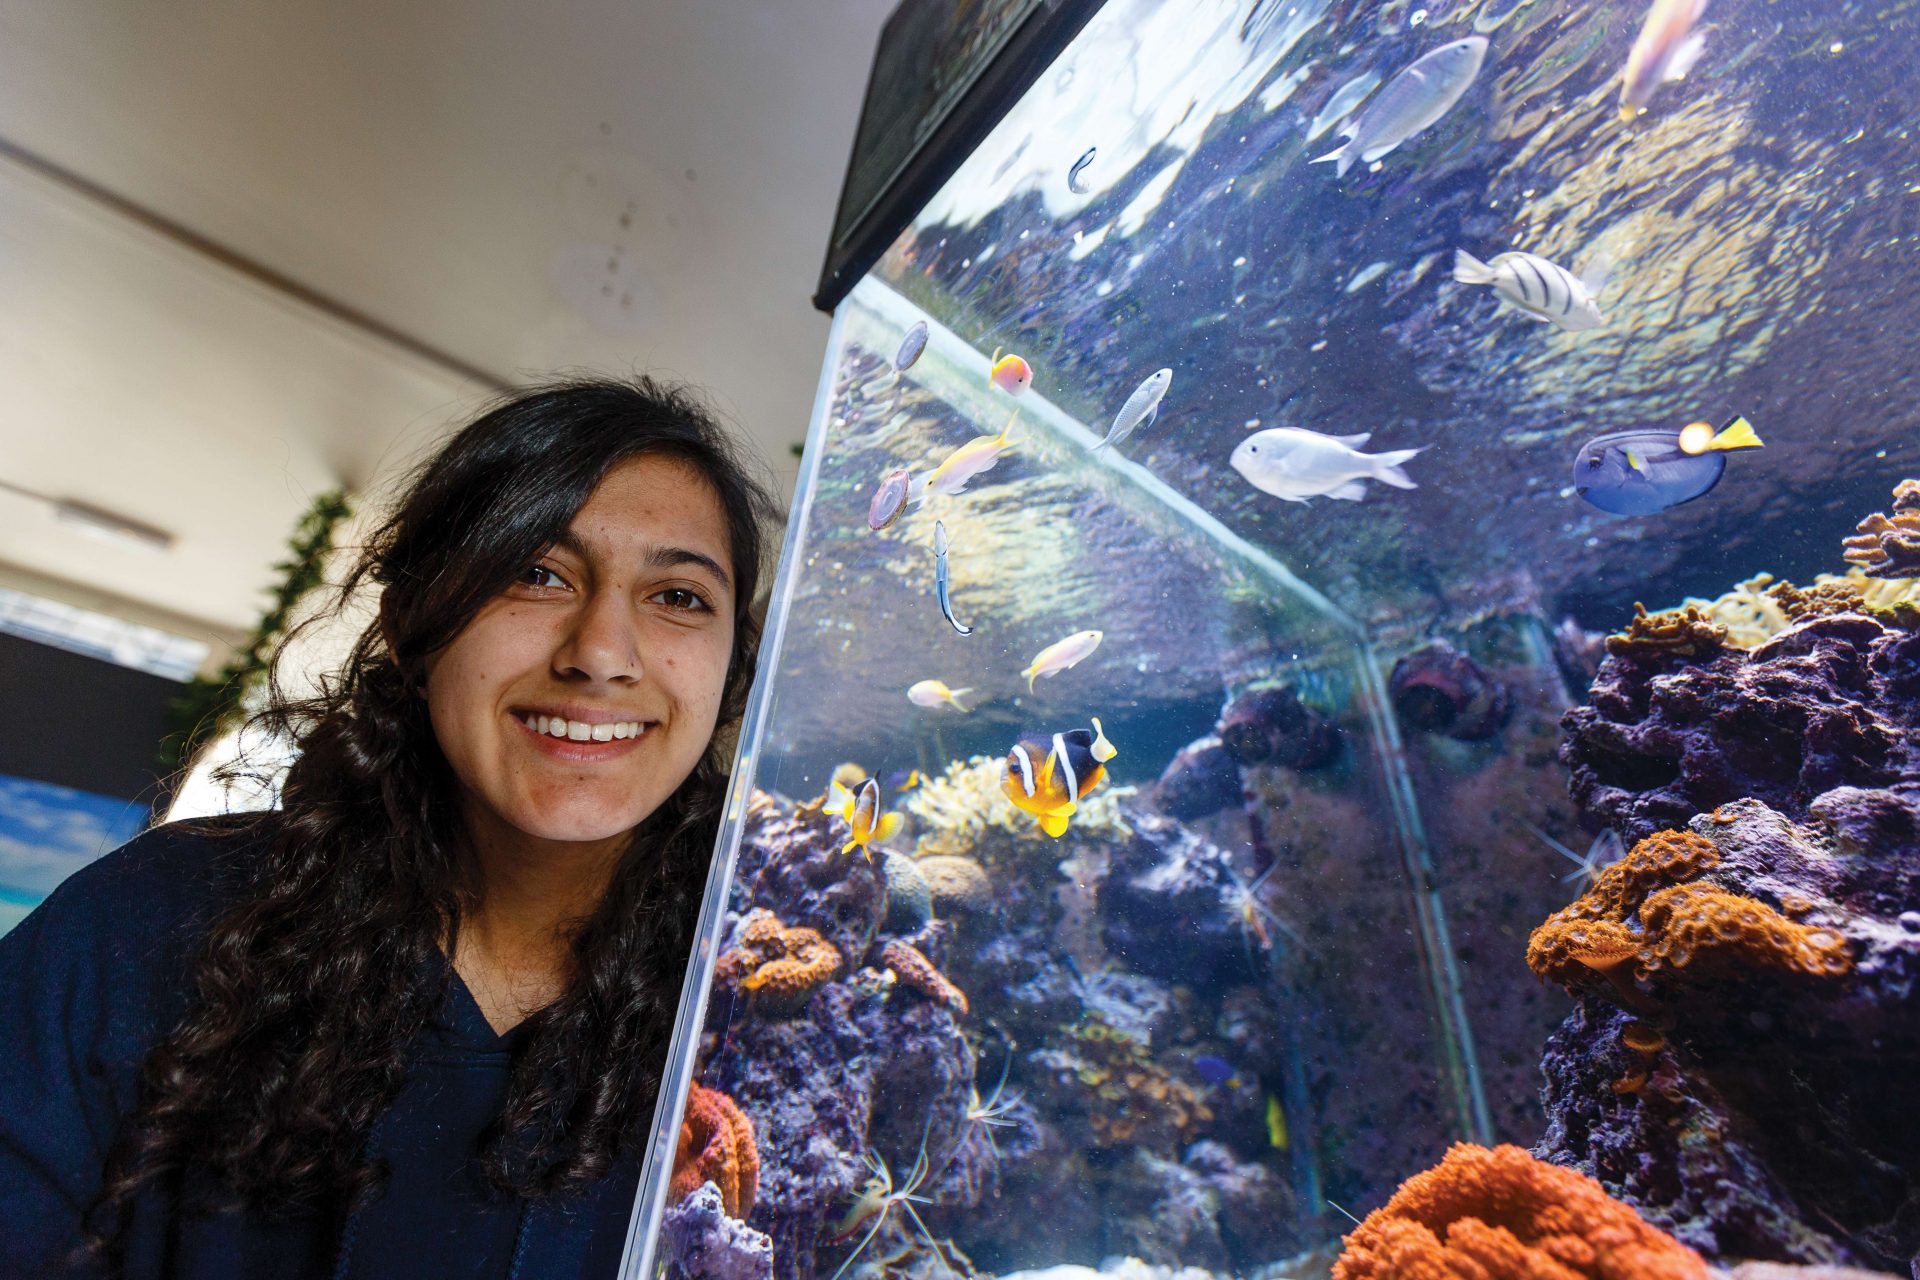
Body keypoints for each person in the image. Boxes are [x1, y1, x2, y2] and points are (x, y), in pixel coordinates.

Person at [0, 377, 781, 1279]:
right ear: (413, 622)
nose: (601, 653)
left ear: (732, 674)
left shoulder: (747, 1012)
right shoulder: (151, 922)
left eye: (680, 596)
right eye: (535, 572)